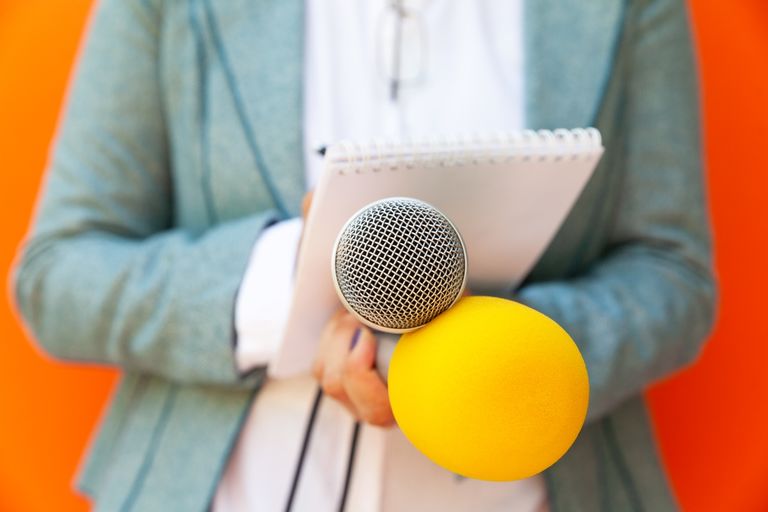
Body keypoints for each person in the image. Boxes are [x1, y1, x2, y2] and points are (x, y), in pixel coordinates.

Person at [13, 0, 716, 510]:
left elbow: (670, 272)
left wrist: (479, 358)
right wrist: (299, 277)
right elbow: (58, 273)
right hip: (233, 490)